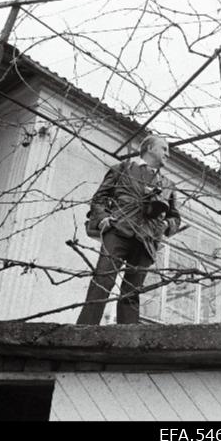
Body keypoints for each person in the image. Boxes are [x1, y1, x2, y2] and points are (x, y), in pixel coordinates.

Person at [77, 135, 181, 325]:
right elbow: (99, 198)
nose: (168, 154)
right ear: (149, 148)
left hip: (147, 240)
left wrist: (165, 226)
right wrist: (102, 219)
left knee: (133, 291)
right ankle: (84, 329)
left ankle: (128, 333)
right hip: (118, 231)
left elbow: (175, 217)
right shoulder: (122, 169)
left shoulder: (168, 185)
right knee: (103, 281)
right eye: (164, 149)